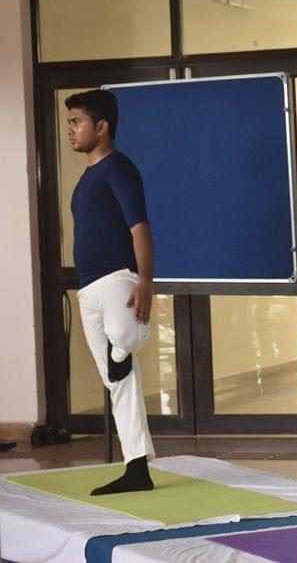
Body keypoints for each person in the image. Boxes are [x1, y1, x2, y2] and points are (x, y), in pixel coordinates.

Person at [67, 89, 155, 496]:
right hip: (87, 288)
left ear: (101, 127)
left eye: (77, 122)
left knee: (125, 337)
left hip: (118, 277)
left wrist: (145, 281)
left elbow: (140, 227)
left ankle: (122, 351)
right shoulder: (87, 177)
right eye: (69, 122)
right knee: (118, 382)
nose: (70, 130)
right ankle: (137, 467)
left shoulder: (119, 169)